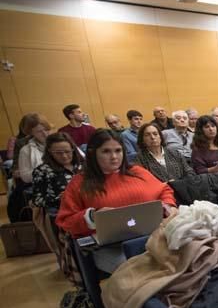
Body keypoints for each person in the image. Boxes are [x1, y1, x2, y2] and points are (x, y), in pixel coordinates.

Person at [56, 129, 176, 273]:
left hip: (152, 235)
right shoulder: (79, 183)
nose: (114, 157)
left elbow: (164, 190)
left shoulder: (137, 172)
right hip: (111, 247)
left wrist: (168, 204)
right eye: (106, 151)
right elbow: (65, 221)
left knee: (187, 253)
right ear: (93, 153)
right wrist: (93, 216)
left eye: (118, 151)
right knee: (141, 268)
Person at [32, 132, 83, 211]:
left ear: (73, 149)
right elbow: (37, 201)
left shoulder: (83, 166)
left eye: (67, 151)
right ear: (50, 152)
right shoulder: (42, 171)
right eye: (58, 153)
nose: (64, 156)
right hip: (62, 212)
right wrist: (60, 199)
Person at [17, 116, 50, 184]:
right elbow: (25, 177)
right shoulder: (25, 150)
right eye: (39, 131)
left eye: (46, 130)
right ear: (31, 133)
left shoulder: (62, 143)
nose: (45, 134)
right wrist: (46, 171)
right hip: (41, 184)